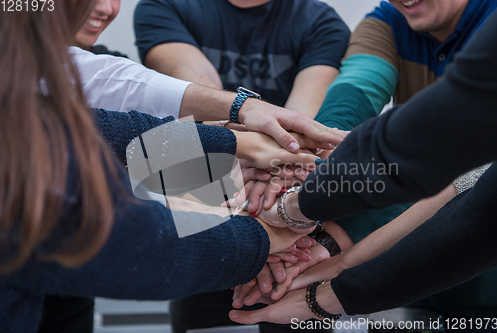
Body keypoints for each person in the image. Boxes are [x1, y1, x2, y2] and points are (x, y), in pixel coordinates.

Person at [0, 2, 329, 332]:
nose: (104, 6)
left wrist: (241, 154)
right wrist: (267, 227)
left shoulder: (87, 74)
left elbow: (135, 144)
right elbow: (143, 242)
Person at [228, 6, 497, 326]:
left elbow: (453, 169)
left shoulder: (317, 22)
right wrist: (299, 167)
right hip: (400, 268)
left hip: (471, 270)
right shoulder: (386, 22)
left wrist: (294, 202)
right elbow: (353, 95)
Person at [134, 1, 349, 331]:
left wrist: (270, 164)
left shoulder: (320, 21)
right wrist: (260, 150)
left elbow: (299, 128)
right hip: (204, 221)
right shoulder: (164, 5)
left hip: (293, 236)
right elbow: (200, 98)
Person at [134, 0, 350, 119]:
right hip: (192, 157)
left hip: (277, 166)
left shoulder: (325, 25)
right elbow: (200, 100)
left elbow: (300, 120)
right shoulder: (162, 6)